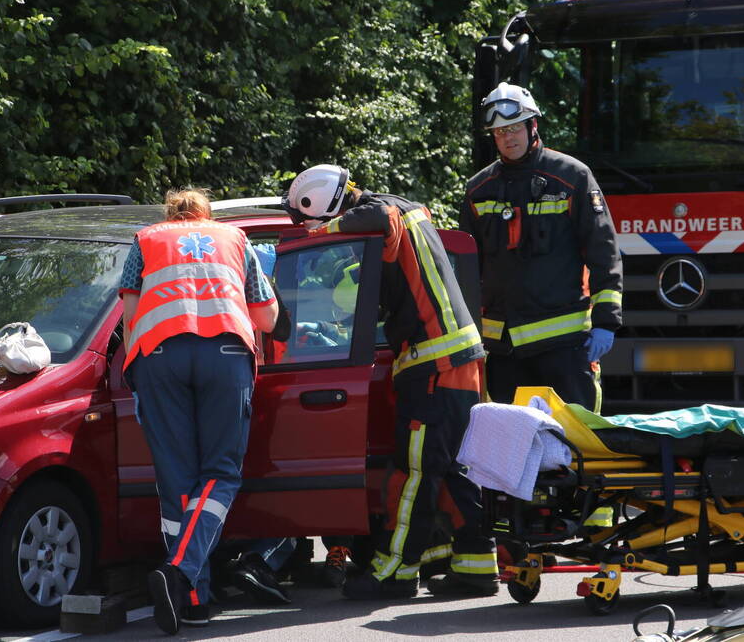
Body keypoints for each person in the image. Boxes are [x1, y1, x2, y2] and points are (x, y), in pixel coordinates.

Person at [284, 164, 499, 600]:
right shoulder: (408, 206)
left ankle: (393, 573)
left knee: (414, 472)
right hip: (457, 357)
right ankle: (474, 565)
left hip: (435, 363)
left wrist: (318, 235)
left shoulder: (379, 212)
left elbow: (376, 222)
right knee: (456, 467)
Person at [119, 188, 278, 634]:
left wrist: (138, 373)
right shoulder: (236, 238)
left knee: (177, 482)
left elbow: (130, 314)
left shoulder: (145, 239)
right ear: (206, 215)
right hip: (226, 355)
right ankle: (180, 572)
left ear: (171, 215)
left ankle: (192, 599)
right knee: (221, 474)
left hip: (158, 358)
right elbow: (266, 319)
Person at [460, 83, 623, 414]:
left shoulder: (572, 178)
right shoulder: (478, 190)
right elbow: (466, 269)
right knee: (513, 451)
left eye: (515, 127)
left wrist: (607, 321)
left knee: (575, 445)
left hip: (564, 346)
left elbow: (603, 252)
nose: (508, 137)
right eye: (500, 131)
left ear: (533, 126)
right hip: (504, 351)